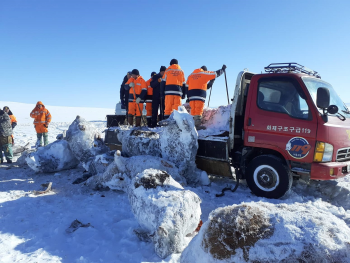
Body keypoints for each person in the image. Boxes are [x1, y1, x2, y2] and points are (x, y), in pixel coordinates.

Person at [186, 65, 227, 129]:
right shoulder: (203, 73)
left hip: (191, 96)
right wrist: (222, 70)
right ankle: (197, 126)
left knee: (193, 110)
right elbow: (215, 73)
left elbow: (187, 85)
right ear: (205, 70)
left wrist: (187, 95)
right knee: (198, 110)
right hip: (199, 94)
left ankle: (192, 125)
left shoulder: (191, 75)